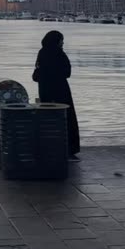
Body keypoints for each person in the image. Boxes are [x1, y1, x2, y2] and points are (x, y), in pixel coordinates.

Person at [33, 30, 80, 159]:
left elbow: (36, 75)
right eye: (61, 40)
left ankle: (50, 148)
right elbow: (67, 72)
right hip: (61, 91)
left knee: (49, 120)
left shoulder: (42, 53)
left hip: (45, 91)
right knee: (66, 119)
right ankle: (69, 149)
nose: (62, 43)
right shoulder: (59, 54)